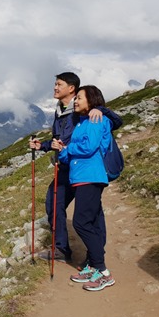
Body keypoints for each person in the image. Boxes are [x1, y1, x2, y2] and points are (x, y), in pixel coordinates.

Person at [29, 73, 122, 264]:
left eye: (58, 84)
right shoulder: (60, 110)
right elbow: (61, 139)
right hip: (66, 167)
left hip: (84, 169)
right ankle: (62, 249)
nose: (54, 87)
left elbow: (115, 123)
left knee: (92, 213)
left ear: (71, 88)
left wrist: (102, 109)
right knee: (54, 203)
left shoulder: (87, 111)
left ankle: (95, 257)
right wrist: (43, 146)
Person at [57, 85, 115, 291]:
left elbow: (88, 147)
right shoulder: (81, 123)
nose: (76, 101)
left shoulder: (96, 119)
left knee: (81, 222)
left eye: (79, 98)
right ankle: (93, 265)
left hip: (90, 176)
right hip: (81, 177)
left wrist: (69, 148)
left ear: (91, 100)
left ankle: (102, 271)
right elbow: (68, 155)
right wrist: (62, 150)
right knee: (89, 220)